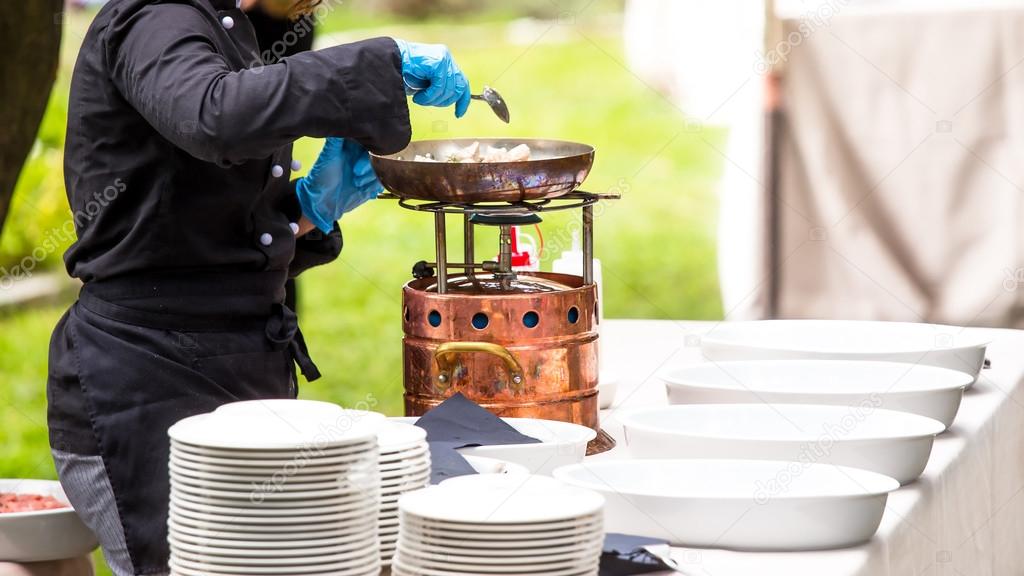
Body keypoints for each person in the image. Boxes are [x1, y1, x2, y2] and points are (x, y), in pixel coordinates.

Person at [46, 0, 472, 573]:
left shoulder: (224, 27)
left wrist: (308, 211)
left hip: (236, 369)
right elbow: (214, 117)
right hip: (141, 387)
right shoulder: (156, 16)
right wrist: (373, 65)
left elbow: (186, 224)